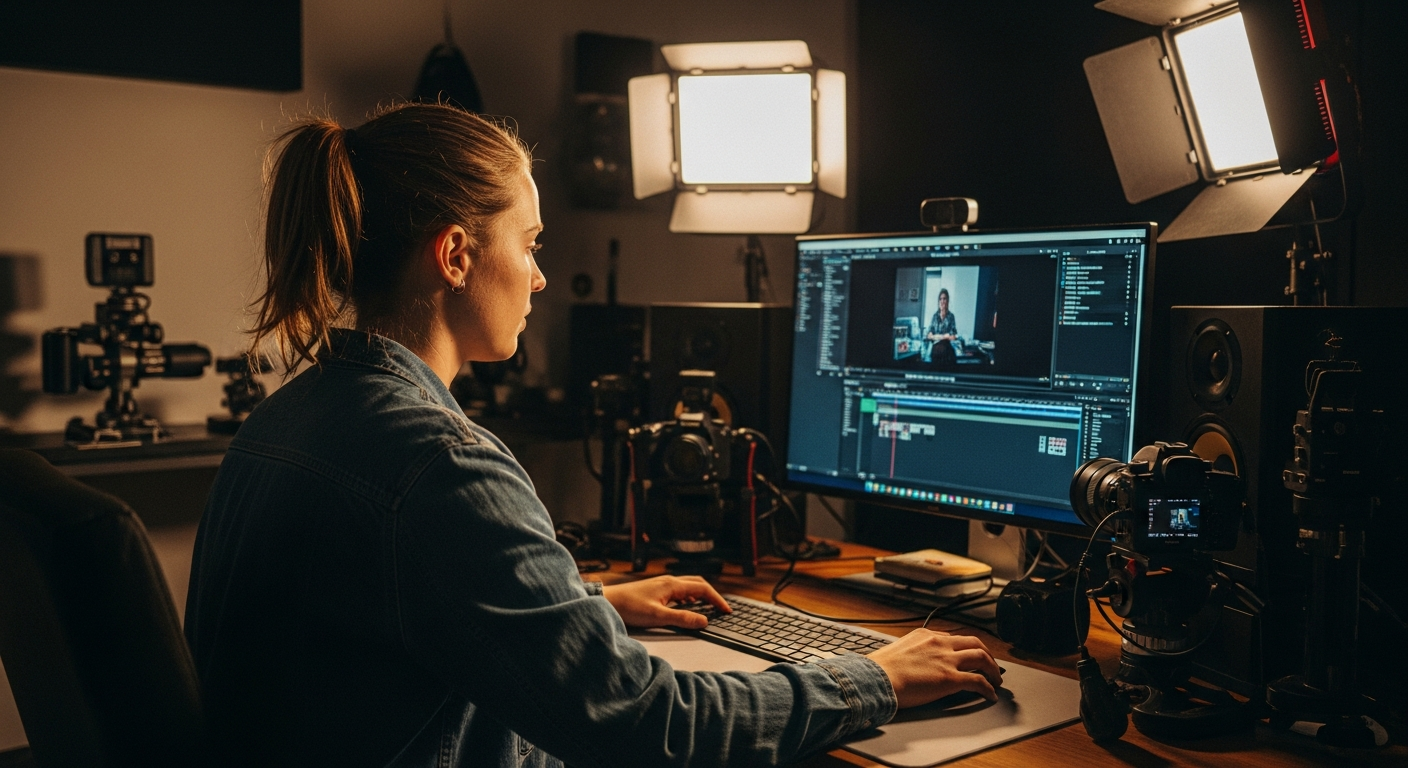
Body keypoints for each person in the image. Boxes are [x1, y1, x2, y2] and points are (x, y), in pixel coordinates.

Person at [184, 103, 1002, 767]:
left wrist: (582, 606)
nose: (539, 276)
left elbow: (378, 621)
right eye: (531, 243)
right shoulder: (440, 463)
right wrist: (872, 678)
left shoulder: (286, 418)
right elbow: (646, 726)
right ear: (457, 256)